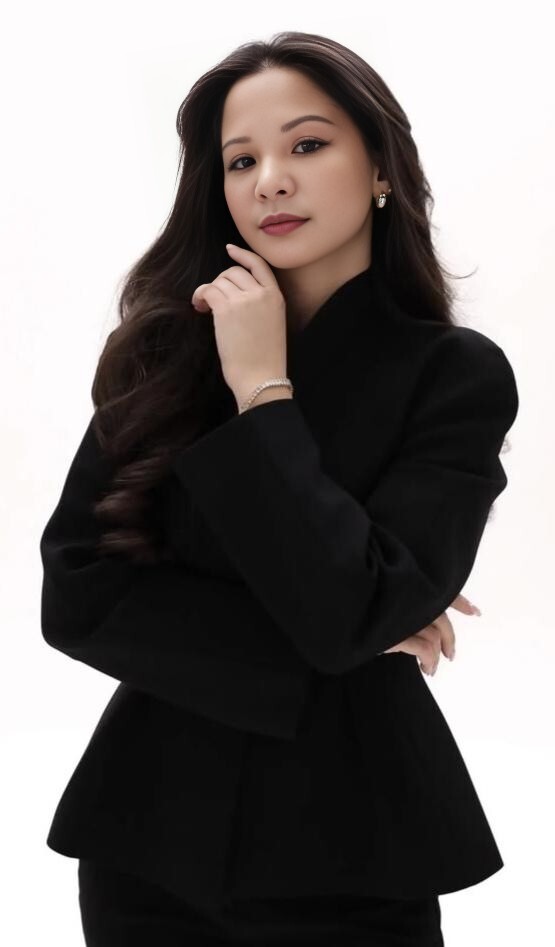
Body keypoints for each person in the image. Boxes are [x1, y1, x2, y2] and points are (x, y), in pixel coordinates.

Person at [40, 30, 519, 946]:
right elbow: (79, 595)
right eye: (240, 160)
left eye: (306, 144)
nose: (269, 180)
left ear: (379, 168)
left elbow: (349, 607)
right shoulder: (162, 355)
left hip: (356, 849)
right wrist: (353, 636)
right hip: (148, 844)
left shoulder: (453, 375)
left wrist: (263, 391)